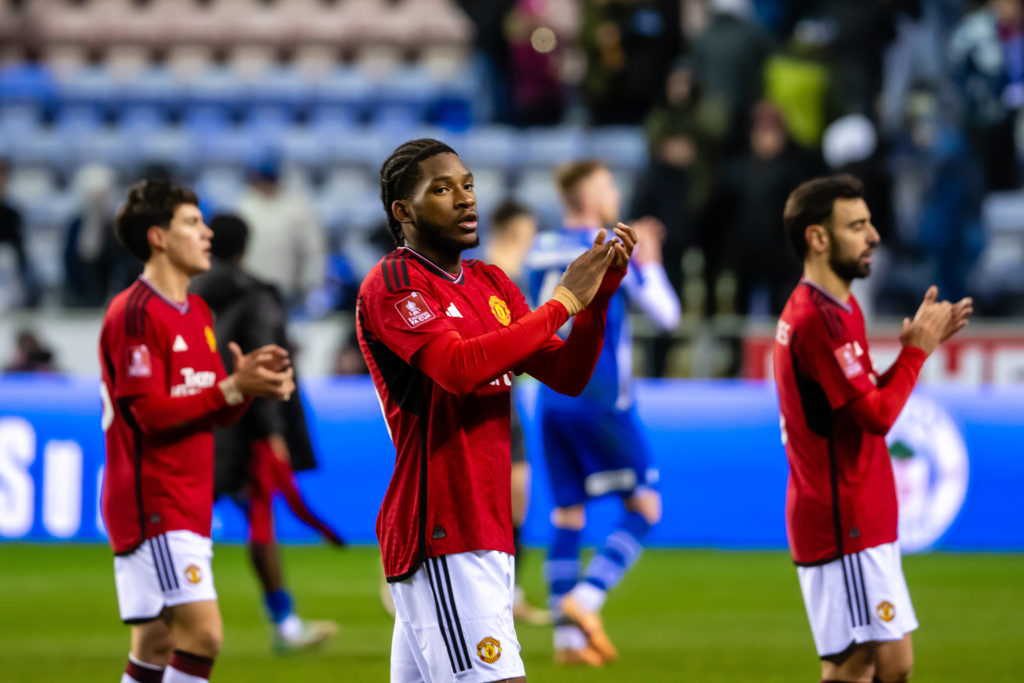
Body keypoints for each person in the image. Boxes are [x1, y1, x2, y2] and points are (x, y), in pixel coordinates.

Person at [357, 138, 633, 682]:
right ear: (403, 211)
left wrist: (596, 301)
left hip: (485, 531)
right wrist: (563, 303)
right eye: (442, 189)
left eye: (468, 185)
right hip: (442, 529)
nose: (464, 199)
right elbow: (458, 368)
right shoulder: (395, 284)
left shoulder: (491, 285)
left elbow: (568, 374)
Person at [773, 175, 972, 683]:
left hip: (861, 514)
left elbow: (856, 405)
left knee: (887, 666)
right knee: (858, 668)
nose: (875, 236)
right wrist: (914, 353)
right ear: (818, 238)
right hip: (844, 521)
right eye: (857, 226)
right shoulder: (818, 320)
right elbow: (878, 417)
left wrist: (908, 355)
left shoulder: (838, 307)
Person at [99, 180, 294, 683]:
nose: (207, 233)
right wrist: (232, 388)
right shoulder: (136, 312)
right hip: (154, 499)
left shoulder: (198, 313)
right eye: (192, 223)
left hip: (187, 496)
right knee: (203, 635)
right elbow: (147, 415)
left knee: (156, 645)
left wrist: (249, 386)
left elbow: (213, 410)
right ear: (159, 237)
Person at [525, 160, 680, 666]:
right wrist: (651, 260)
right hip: (599, 393)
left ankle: (567, 644)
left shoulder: (541, 246)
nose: (615, 191)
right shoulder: (612, 246)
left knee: (568, 511)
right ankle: (583, 600)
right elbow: (667, 315)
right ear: (589, 192)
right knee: (645, 507)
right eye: (609, 183)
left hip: (548, 395)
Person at [190, 213, 343, 654]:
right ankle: (285, 623)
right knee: (260, 524)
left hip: (191, 418)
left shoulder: (182, 294)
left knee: (182, 526)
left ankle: (166, 615)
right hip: (241, 427)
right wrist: (274, 431)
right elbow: (266, 362)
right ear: (245, 247)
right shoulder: (255, 295)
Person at [484, 200, 550, 626]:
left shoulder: (517, 279)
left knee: (519, 494)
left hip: (509, 398)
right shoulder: (484, 277)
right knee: (473, 496)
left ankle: (509, 591)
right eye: (527, 235)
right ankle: (410, 569)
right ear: (511, 234)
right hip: (483, 399)